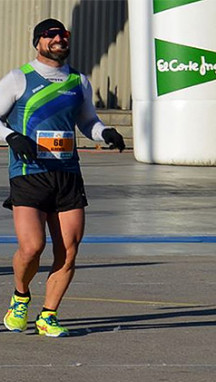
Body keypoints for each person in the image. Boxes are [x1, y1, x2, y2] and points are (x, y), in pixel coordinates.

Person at [0, 18, 125, 337]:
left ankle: (48, 315)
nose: (59, 39)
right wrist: (12, 137)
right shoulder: (19, 78)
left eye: (63, 35)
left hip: (68, 174)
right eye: (51, 35)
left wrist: (104, 132)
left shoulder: (78, 81)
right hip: (29, 173)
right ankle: (20, 297)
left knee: (69, 249)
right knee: (32, 247)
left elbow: (88, 121)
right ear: (38, 42)